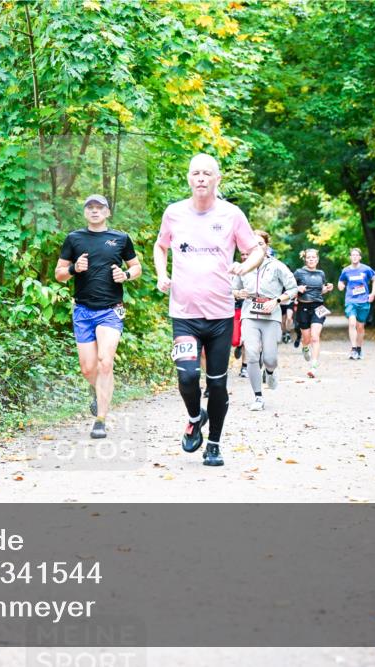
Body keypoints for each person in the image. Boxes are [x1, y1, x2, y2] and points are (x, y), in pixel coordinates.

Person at [153, 153, 264, 467]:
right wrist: (162, 274)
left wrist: (245, 266)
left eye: (207, 173)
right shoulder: (174, 213)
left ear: (217, 179)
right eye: (195, 173)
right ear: (188, 178)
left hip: (220, 316)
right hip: (184, 314)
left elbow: (255, 249)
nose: (200, 178)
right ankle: (194, 416)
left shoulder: (231, 215)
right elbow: (160, 246)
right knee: (187, 376)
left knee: (217, 384)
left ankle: (213, 444)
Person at [56, 194, 141, 438]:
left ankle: (101, 420)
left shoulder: (121, 239)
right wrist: (73, 269)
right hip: (83, 310)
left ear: (107, 212)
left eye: (99, 208)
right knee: (88, 368)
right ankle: (98, 389)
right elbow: (59, 273)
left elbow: (136, 268)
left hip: (111, 310)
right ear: (85, 212)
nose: (95, 211)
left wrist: (125, 275)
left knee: (106, 361)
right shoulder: (74, 238)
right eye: (90, 208)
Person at [232, 231, 298, 411]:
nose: (258, 247)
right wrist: (238, 293)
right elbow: (231, 289)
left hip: (271, 316)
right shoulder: (243, 267)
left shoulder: (277, 266)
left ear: (267, 245)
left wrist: (276, 301)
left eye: (261, 243)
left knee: (270, 358)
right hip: (249, 315)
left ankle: (270, 371)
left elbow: (293, 289)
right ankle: (258, 397)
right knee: (252, 354)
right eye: (254, 245)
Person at [293, 248, 334, 377]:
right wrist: (297, 289)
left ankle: (314, 366)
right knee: (307, 339)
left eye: (313, 257)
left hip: (318, 307)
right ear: (305, 259)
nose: (311, 259)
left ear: (317, 259)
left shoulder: (321, 273)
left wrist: (327, 289)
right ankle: (305, 347)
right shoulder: (299, 272)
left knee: (315, 337)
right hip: (303, 308)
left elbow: (320, 290)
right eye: (309, 257)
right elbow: (289, 288)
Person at [337, 247, 375, 360]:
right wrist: (340, 285)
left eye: (356, 255)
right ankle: (353, 349)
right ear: (350, 257)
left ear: (360, 257)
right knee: (352, 323)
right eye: (352, 255)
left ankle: (359, 349)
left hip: (364, 301)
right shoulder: (346, 270)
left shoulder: (366, 269)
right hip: (351, 301)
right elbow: (341, 281)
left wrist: (372, 293)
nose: (354, 257)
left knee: (360, 327)